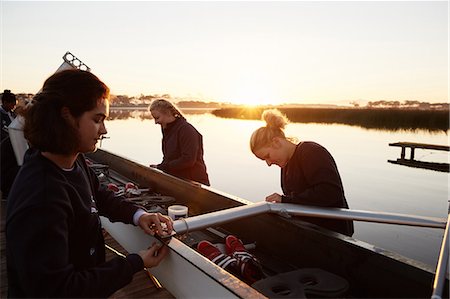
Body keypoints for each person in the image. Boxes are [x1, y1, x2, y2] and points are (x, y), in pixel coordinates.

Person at [6, 69, 174, 298]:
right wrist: (134, 263)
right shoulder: (41, 196)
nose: (104, 130)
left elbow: (98, 194)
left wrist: (138, 215)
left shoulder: (72, 160)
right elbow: (61, 290)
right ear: (66, 116)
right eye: (97, 120)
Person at [249, 109, 354, 236]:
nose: (269, 163)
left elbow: (330, 192)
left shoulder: (311, 151)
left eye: (267, 156)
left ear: (276, 142)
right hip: (312, 231)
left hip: (334, 235)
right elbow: (299, 200)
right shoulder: (286, 165)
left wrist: (285, 200)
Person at [148, 99, 210, 186]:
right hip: (177, 179)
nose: (155, 122)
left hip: (195, 182)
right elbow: (168, 157)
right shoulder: (167, 130)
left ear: (167, 113)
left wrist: (164, 167)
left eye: (157, 118)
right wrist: (159, 167)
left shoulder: (186, 130)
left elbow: (188, 160)